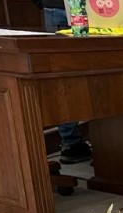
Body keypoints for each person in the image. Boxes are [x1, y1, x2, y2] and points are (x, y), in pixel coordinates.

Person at [42, 0, 92, 164]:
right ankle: (106, 142)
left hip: (56, 7)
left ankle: (71, 142)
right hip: (91, 7)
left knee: (62, 75)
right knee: (102, 66)